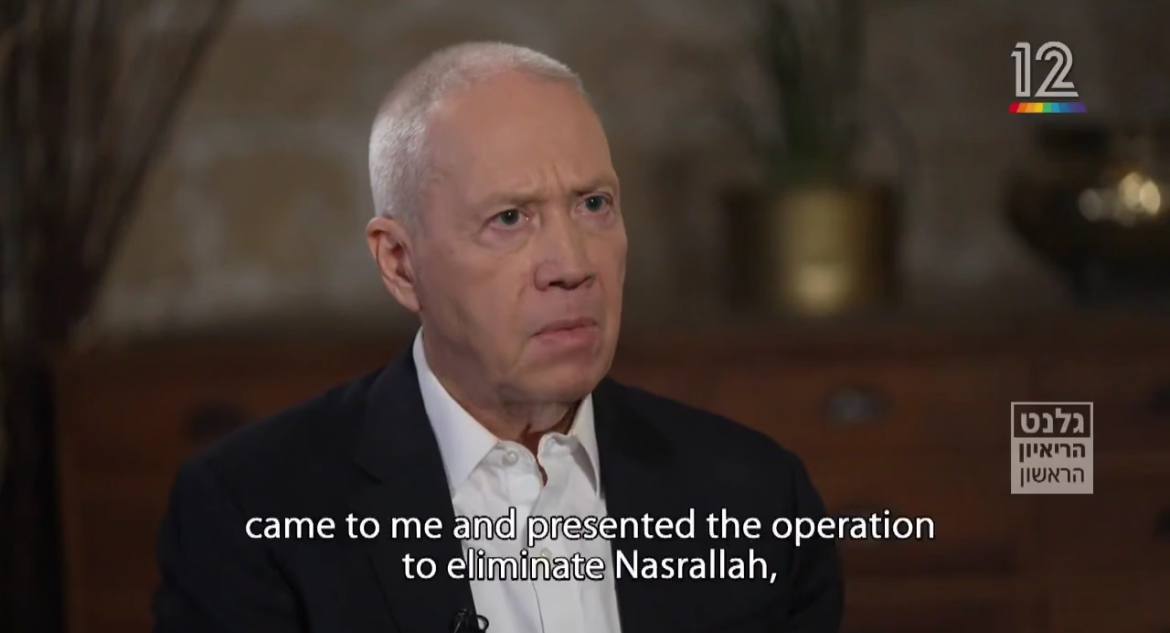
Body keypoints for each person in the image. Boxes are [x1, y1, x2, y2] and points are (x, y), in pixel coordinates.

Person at [153, 41, 843, 633]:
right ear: (400, 263)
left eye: (594, 204)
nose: (572, 265)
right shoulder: (252, 514)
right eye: (510, 218)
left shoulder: (759, 498)